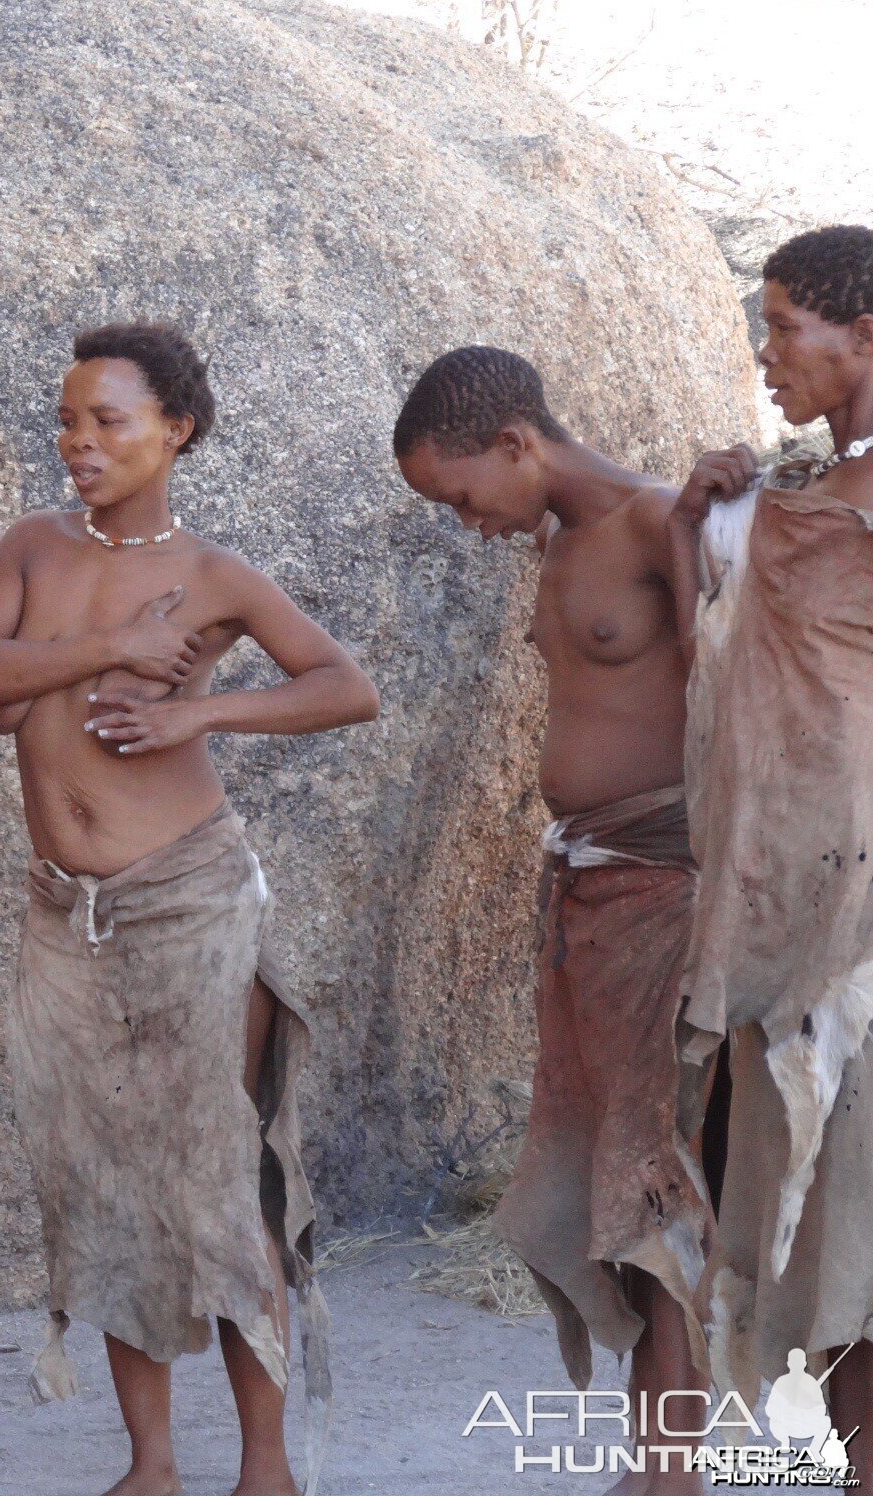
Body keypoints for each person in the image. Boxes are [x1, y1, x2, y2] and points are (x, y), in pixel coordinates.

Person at [0, 322, 374, 1496]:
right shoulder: (31, 548)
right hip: (63, 913)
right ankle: (149, 1465)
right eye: (67, 420)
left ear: (174, 430)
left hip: (187, 899)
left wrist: (197, 714)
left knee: (213, 1179)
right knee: (98, 1179)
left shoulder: (219, 576)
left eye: (106, 420)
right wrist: (101, 647)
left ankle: (266, 1468)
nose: (77, 441)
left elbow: (345, 686)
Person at [394, 346, 716, 1494]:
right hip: (587, 892)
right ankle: (653, 1454)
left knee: (651, 1173)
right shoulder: (560, 541)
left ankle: (667, 1465)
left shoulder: (651, 521)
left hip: (665, 886)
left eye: (461, 493)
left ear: (517, 445)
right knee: (603, 1173)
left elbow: (725, 689)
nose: (463, 522)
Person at [674, 225, 873, 1460]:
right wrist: (699, 513)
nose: (763, 353)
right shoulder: (789, 505)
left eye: (782, 324)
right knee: (823, 1243)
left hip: (859, 938)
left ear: (865, 338)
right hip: (787, 932)